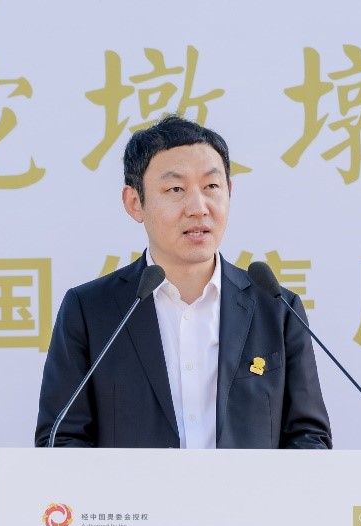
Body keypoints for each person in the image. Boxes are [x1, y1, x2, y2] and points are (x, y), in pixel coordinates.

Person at [35, 115, 332, 449]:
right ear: (135, 203)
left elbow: (309, 438)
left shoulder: (277, 309)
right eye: (175, 189)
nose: (198, 208)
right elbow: (60, 439)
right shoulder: (90, 311)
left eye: (211, 187)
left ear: (229, 192)